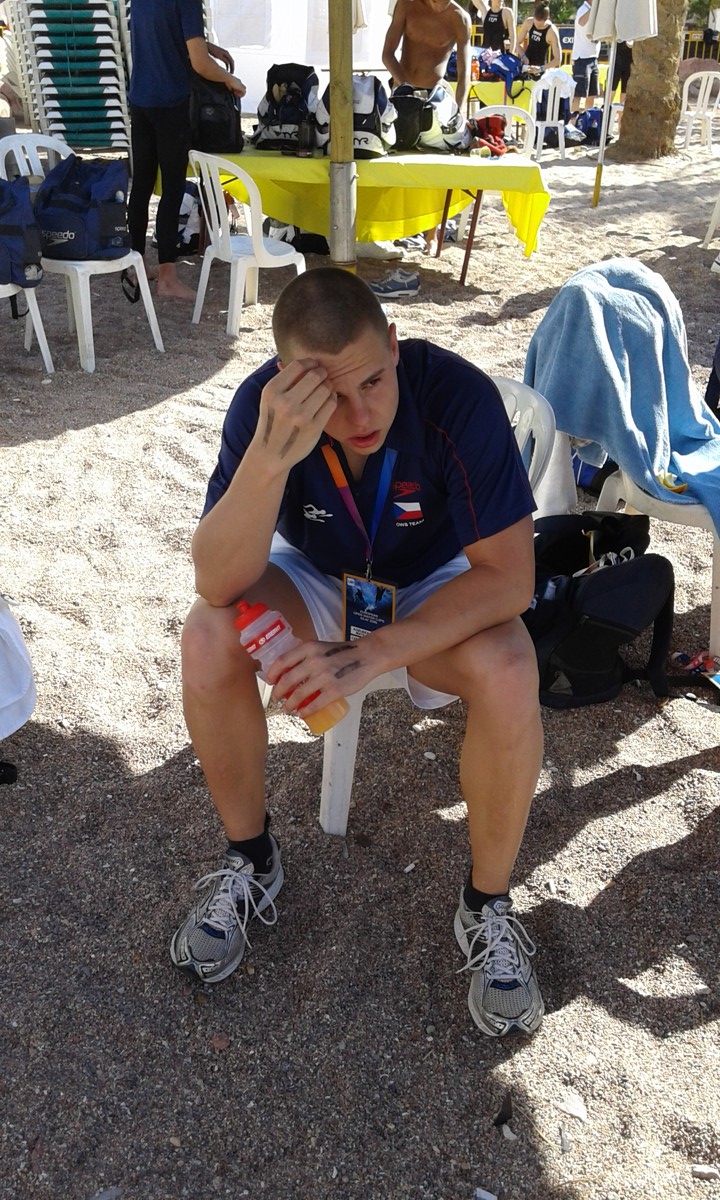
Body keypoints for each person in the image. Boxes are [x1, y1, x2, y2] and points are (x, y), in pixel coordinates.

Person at [173, 267, 546, 1038]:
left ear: (395, 346)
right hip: (319, 576)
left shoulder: (456, 398)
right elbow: (216, 580)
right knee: (208, 635)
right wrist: (270, 457)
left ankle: (487, 904)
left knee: (512, 670)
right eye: (330, 397)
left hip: (438, 583)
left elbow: (511, 581)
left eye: (373, 381)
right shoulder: (263, 409)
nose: (360, 413)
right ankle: (251, 859)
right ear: (288, 382)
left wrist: (372, 653)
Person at [126, 0, 245, 302]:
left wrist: (208, 48)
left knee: (141, 186)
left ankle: (135, 266)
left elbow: (160, 35)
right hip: (170, 103)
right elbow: (200, 65)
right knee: (173, 188)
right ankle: (167, 277)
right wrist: (229, 78)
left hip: (140, 99)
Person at [570, 0, 600, 113]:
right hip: (582, 58)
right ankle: (572, 121)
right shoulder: (583, 10)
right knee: (578, 94)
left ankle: (588, 119)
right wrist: (594, 8)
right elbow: (581, 22)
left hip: (593, 57)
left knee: (592, 94)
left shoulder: (596, 11)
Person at [517, 3, 561, 75]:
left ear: (547, 19)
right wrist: (523, 57)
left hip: (541, 68)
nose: (537, 27)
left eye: (540, 25)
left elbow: (558, 59)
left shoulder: (552, 31)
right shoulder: (528, 22)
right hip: (526, 65)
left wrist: (541, 68)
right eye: (535, 23)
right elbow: (517, 43)